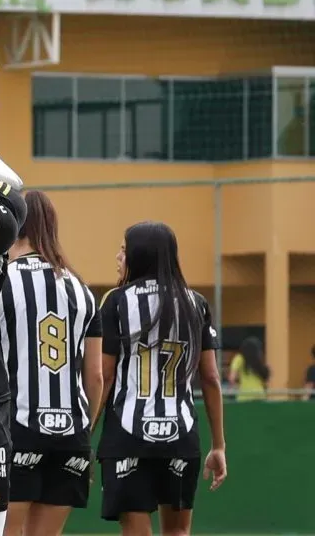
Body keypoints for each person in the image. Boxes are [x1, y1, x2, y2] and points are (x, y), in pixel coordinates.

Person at [97, 222, 227, 535]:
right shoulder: (196, 303)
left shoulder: (116, 301)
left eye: (124, 250)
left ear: (139, 256)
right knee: (178, 532)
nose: (118, 257)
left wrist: (84, 433)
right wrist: (219, 445)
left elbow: (106, 374)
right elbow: (210, 377)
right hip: (180, 435)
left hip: (127, 434)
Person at [0, 191, 102, 536]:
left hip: (16, 427)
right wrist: (83, 433)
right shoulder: (82, 290)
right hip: (72, 433)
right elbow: (96, 377)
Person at [227, 337, 269, 402]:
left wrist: (236, 387)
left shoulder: (239, 358)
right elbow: (265, 381)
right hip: (260, 395)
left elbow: (231, 378)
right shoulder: (258, 361)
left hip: (245, 396)